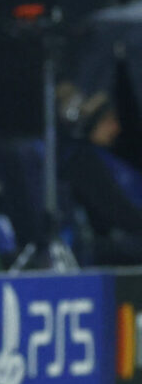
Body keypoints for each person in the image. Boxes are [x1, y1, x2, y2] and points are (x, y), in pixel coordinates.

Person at [56, 83, 142, 265]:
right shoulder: (82, 161)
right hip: (104, 243)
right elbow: (118, 211)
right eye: (109, 121)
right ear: (91, 123)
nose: (116, 128)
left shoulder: (112, 156)